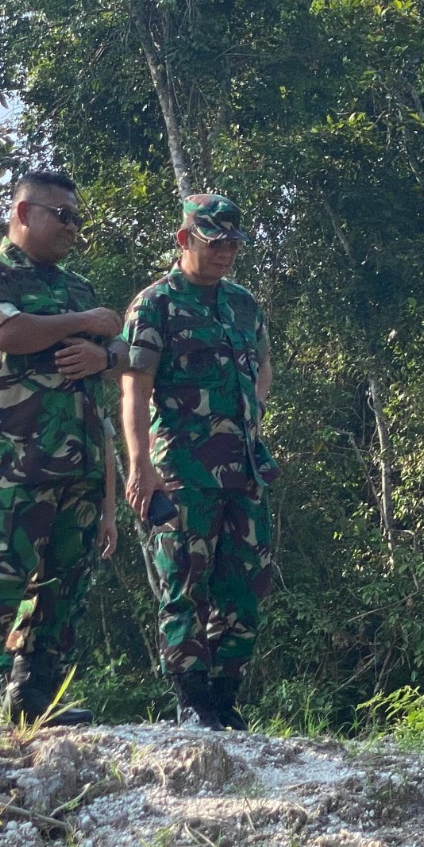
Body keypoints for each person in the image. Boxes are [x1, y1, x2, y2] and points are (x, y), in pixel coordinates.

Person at [0, 170, 122, 728]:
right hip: (17, 456)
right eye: (62, 215)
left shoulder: (76, 285)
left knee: (66, 583)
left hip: (81, 457)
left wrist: (105, 357)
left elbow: (125, 352)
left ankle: (33, 697)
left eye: (77, 217)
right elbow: (3, 332)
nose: (73, 228)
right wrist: (85, 325)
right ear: (21, 212)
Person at [119, 194, 278, 731]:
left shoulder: (243, 304)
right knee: (185, 581)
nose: (226, 252)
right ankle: (191, 701)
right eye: (215, 243)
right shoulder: (155, 304)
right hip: (183, 470)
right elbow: (134, 391)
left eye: (233, 243)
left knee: (245, 583)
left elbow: (262, 367)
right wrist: (140, 464)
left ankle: (224, 698)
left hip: (246, 468)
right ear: (186, 240)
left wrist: (252, 413)